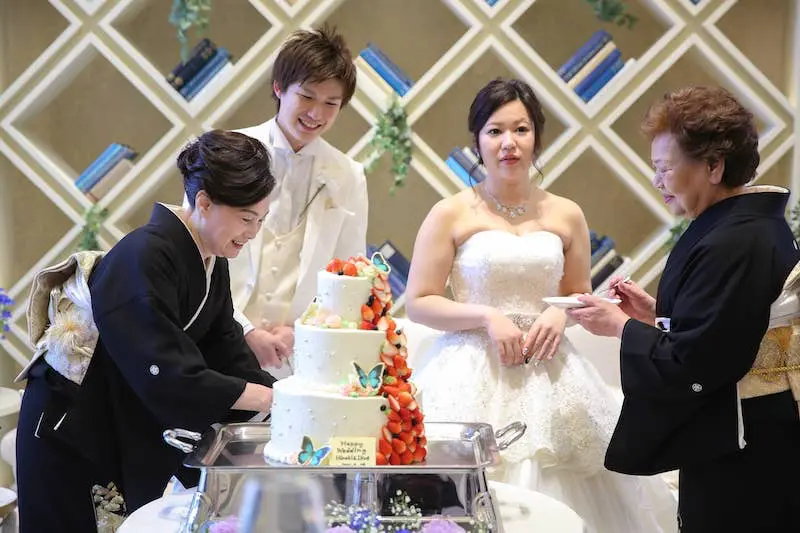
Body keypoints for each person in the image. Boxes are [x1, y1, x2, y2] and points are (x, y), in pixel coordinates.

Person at [404, 78, 677, 533]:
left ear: (537, 136)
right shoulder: (450, 212)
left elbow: (578, 293)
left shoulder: (567, 213)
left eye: (521, 129)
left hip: (549, 368)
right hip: (471, 367)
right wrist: (487, 316)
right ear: (477, 140)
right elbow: (418, 302)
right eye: (495, 131)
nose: (508, 143)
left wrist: (559, 312)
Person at [15, 130, 278, 532]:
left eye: (261, 220)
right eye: (246, 219)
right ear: (204, 201)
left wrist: (280, 403)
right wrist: (266, 397)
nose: (253, 232)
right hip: (72, 427)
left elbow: (227, 351)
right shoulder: (144, 255)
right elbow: (167, 371)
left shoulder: (212, 261)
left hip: (116, 418)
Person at [568, 86, 800, 532]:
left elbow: (698, 362)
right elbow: (728, 325)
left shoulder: (734, 241)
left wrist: (621, 328)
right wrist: (654, 316)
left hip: (749, 445)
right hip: (754, 431)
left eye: (665, 168)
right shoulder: (746, 227)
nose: (657, 181)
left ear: (713, 166)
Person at [223, 25, 367, 373]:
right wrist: (245, 330)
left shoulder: (349, 175)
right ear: (279, 87)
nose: (316, 114)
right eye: (307, 97)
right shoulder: (226, 151)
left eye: (331, 103)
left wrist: (303, 329)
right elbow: (197, 256)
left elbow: (349, 277)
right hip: (220, 341)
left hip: (296, 355)